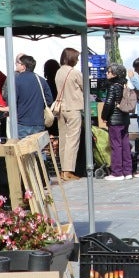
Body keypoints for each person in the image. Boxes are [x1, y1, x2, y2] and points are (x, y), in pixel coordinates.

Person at [100, 63, 134, 180]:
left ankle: (117, 172)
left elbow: (109, 103)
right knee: (125, 144)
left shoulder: (113, 86)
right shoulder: (124, 85)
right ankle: (128, 171)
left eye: (108, 72)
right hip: (125, 119)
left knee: (116, 145)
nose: (106, 73)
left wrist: (104, 116)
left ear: (114, 74)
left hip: (115, 120)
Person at [55, 48, 84, 180]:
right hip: (73, 107)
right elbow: (85, 87)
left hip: (61, 108)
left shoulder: (59, 72)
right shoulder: (75, 72)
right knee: (73, 139)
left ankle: (62, 170)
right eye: (76, 58)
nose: (77, 60)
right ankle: (68, 171)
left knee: (63, 139)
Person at [12, 54, 54, 139]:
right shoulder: (41, 80)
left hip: (22, 122)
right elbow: (49, 100)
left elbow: (12, 101)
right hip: (38, 122)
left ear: (23, 66)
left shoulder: (16, 80)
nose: (16, 64)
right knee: (38, 149)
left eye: (18, 63)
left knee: (23, 150)